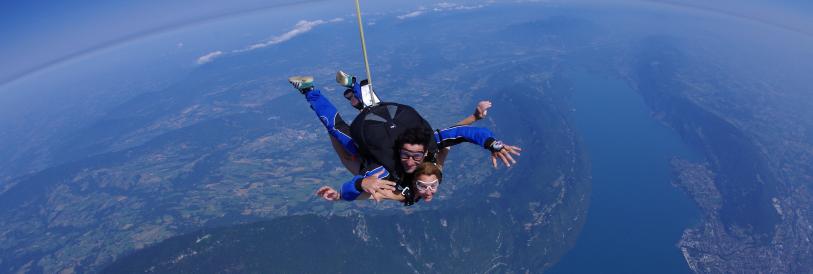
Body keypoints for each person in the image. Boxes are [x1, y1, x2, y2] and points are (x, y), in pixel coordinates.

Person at [289, 72, 521, 205]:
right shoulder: (390, 170)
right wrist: (491, 141)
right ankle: (311, 90)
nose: (428, 191)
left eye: (427, 186)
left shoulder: (428, 158)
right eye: (428, 187)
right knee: (336, 127)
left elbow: (458, 134)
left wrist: (481, 126)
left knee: (376, 109)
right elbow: (359, 189)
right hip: (372, 139)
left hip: (386, 128)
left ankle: (355, 89)